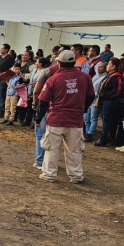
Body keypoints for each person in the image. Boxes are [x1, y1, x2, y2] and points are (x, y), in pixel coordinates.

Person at [35, 50, 95, 183]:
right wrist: (82, 109)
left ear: (59, 63)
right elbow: (91, 96)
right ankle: (76, 175)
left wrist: (38, 118)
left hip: (56, 119)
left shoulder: (53, 79)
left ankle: (49, 174)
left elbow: (43, 101)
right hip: (75, 120)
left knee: (51, 149)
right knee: (75, 150)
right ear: (74, 62)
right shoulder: (85, 77)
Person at [93, 58, 124, 146]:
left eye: (109, 64)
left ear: (114, 66)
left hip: (110, 101)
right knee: (105, 120)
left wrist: (104, 94)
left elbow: (116, 91)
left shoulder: (117, 76)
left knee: (107, 121)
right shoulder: (110, 75)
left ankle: (103, 139)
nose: (107, 66)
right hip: (105, 100)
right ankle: (106, 138)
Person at [31, 57, 52, 169]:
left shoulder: (47, 74)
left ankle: (40, 161)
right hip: (56, 111)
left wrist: (35, 104)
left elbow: (37, 92)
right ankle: (47, 160)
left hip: (46, 109)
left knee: (40, 135)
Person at [0, 43, 15, 118]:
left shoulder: (10, 58)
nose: (0, 49)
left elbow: (11, 69)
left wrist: (3, 73)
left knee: (2, 96)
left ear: (6, 49)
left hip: (3, 79)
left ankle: (1, 111)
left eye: (2, 48)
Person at [84, 61, 107, 142]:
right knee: (86, 118)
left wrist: (94, 94)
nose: (99, 68)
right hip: (89, 99)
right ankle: (87, 132)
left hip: (96, 99)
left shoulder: (105, 77)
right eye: (98, 67)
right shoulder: (95, 76)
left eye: (101, 67)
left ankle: (90, 133)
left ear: (105, 68)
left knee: (93, 118)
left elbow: (101, 89)